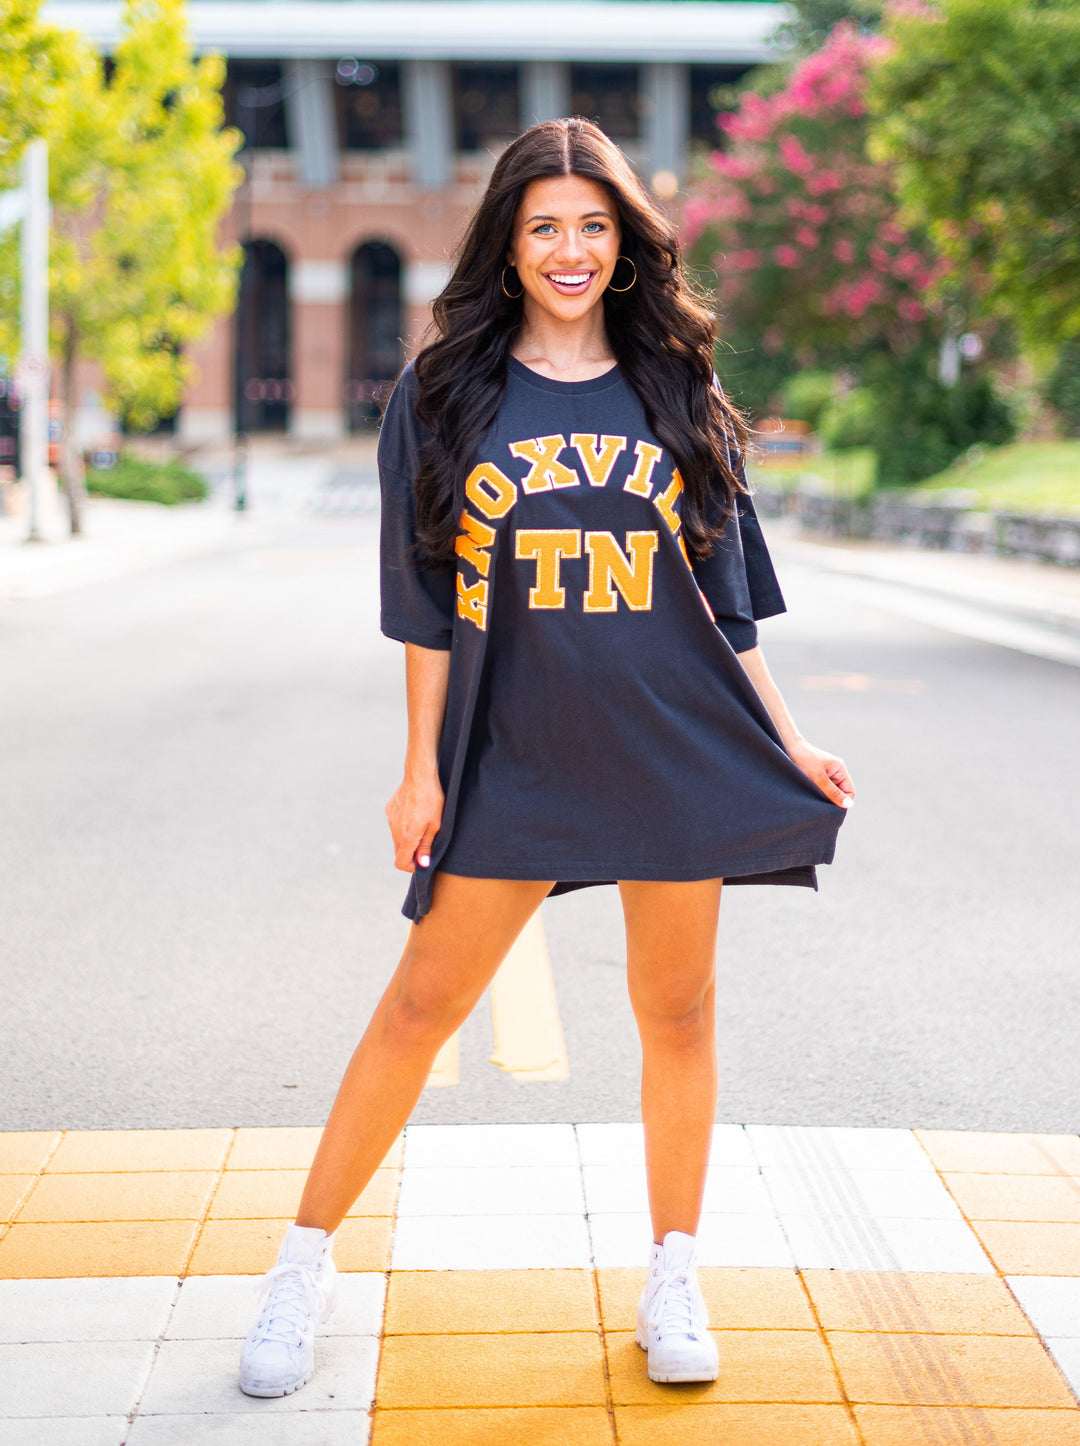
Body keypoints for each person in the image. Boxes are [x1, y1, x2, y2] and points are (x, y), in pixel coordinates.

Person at [239, 117, 853, 1399]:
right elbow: (422, 601)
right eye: (544, 229)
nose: (570, 251)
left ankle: (673, 1271)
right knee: (418, 1006)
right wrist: (419, 768)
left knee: (676, 1012)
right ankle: (301, 1263)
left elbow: (725, 603)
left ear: (624, 241)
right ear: (507, 246)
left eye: (592, 226)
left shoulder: (677, 386)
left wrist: (786, 737)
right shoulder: (448, 391)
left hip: (673, 749)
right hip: (511, 751)